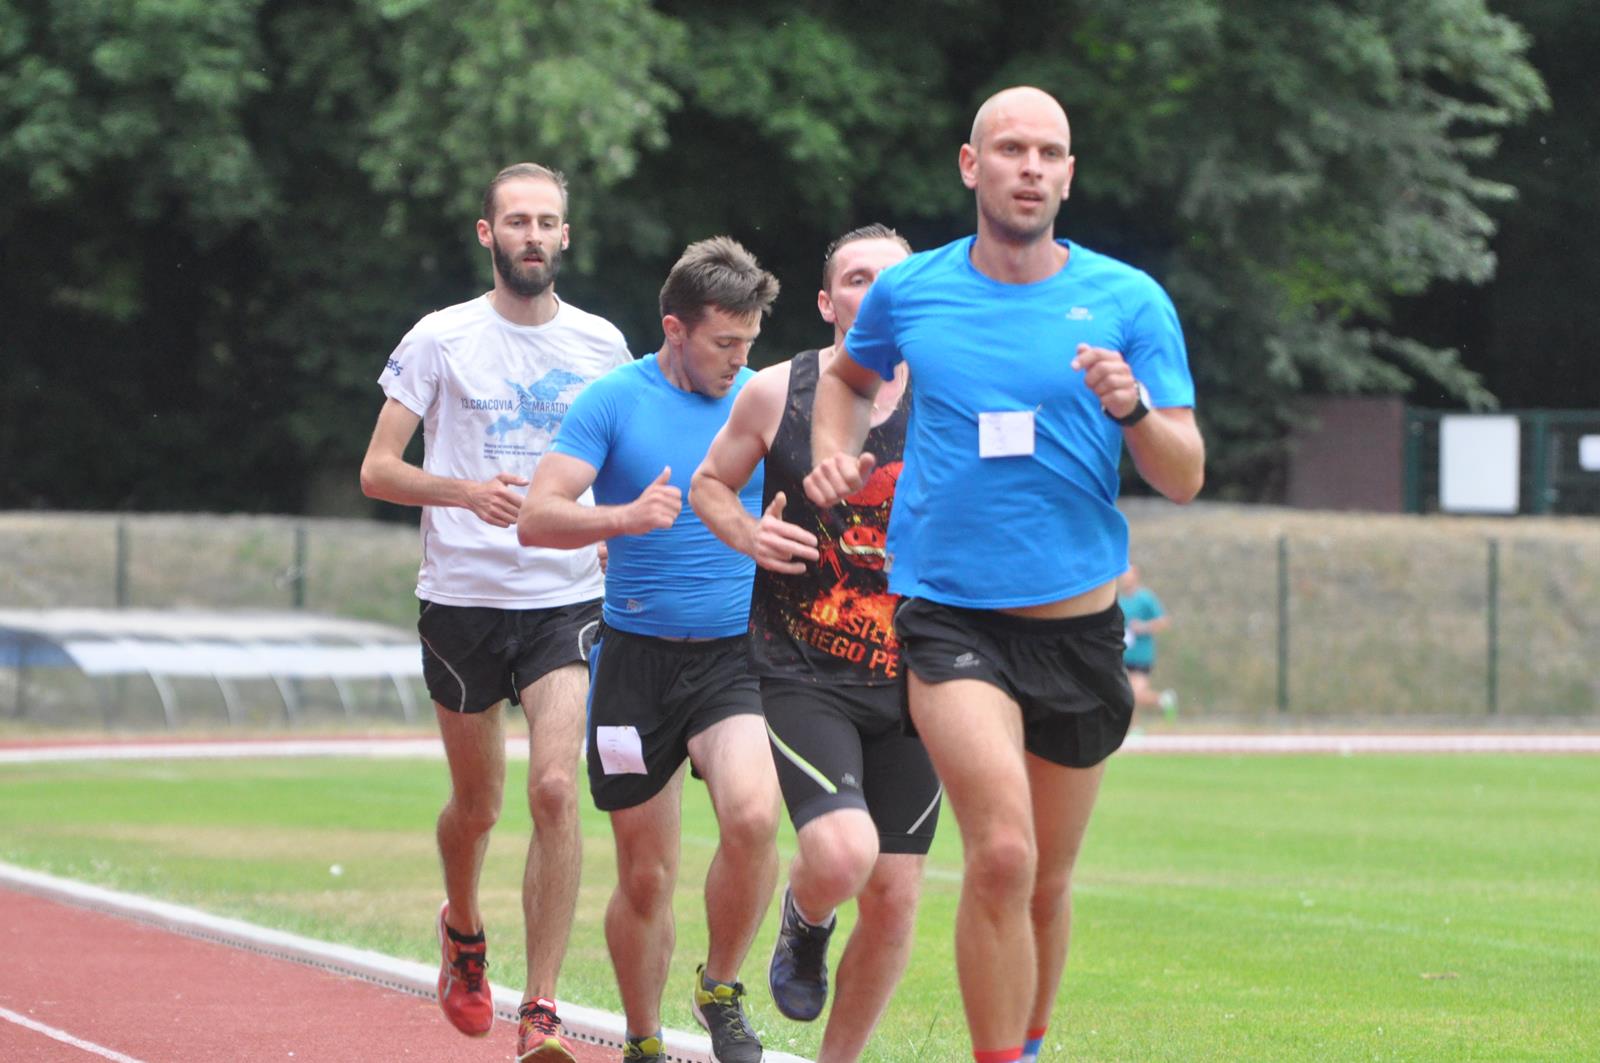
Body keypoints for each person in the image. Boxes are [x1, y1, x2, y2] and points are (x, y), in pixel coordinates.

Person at [804, 86, 1205, 1063]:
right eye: (1012, 148)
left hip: (1079, 629)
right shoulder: (913, 291)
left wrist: (1132, 409)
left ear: (1068, 174)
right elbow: (847, 378)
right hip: (951, 620)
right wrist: (831, 452)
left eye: (1049, 152)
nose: (1031, 167)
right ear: (969, 164)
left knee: (1045, 882)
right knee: (1001, 851)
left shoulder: (1129, 300)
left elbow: (1184, 474)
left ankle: (1025, 1043)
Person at [359, 163, 631, 1061]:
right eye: (516, 220)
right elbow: (378, 470)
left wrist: (606, 526)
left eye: (546, 221)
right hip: (462, 599)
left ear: (566, 236)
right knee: (477, 807)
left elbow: (626, 456)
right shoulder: (441, 338)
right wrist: (465, 491)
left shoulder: (602, 344)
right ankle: (464, 930)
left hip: (563, 598)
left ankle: (541, 1005)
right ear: (488, 234)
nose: (532, 235)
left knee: (554, 788)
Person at [518, 236, 782, 1063]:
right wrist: (622, 518)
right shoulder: (613, 401)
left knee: (753, 814)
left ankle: (720, 987)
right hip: (634, 663)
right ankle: (642, 1039)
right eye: (724, 342)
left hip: (733, 658)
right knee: (645, 874)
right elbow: (536, 515)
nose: (738, 359)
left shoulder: (760, 402)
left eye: (750, 342)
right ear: (675, 328)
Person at [689, 225, 940, 1062]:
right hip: (803, 667)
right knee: (842, 851)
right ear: (830, 303)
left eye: (892, 277)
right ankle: (806, 915)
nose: (876, 290)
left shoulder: (952, 396)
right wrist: (749, 535)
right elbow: (710, 483)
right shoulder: (777, 391)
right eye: (857, 277)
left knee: (896, 897)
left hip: (922, 676)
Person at [1118, 564, 1177, 721]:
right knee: (1125, 695)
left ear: (1136, 576)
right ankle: (1132, 728)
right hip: (1124, 655)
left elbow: (1164, 621)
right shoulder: (1120, 601)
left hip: (1141, 656)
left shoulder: (1145, 598)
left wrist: (1143, 627)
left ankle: (1163, 700)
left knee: (1135, 694)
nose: (1124, 578)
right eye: (1123, 574)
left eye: (1128, 574)